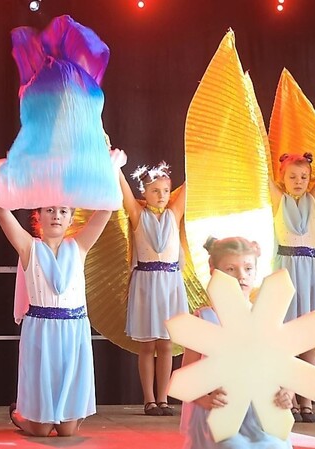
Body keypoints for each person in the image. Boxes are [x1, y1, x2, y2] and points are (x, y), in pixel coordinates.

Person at [0, 205, 111, 437]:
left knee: (68, 431)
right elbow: (1, 212)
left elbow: (106, 211)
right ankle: (22, 417)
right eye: (49, 210)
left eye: (63, 211)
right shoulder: (29, 247)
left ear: (71, 219)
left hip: (73, 331)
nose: (56, 216)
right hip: (41, 331)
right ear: (38, 216)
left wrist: (110, 171)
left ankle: (62, 416)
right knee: (41, 430)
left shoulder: (79, 246)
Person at [180, 236, 293, 448]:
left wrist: (288, 392)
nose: (242, 276)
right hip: (221, 415)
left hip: (262, 413)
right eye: (231, 269)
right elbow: (187, 377)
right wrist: (206, 400)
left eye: (248, 269)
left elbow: (285, 368)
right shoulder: (205, 320)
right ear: (214, 270)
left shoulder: (268, 315)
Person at [120, 162, 188, 416]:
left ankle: (163, 398)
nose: (161, 195)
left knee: (167, 344)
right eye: (155, 190)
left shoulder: (174, 214)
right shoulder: (138, 215)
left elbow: (190, 183)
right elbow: (124, 190)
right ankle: (149, 399)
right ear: (145, 192)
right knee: (148, 345)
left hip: (170, 283)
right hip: (147, 284)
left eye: (166, 190)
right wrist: (115, 167)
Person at [268, 152, 315, 423]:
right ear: (282, 177)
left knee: (308, 339)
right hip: (287, 270)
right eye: (292, 176)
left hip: (311, 272)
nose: (298, 181)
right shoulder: (278, 200)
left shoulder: (314, 200)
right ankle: (288, 398)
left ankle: (307, 402)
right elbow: (261, 173)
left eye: (304, 177)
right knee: (286, 338)